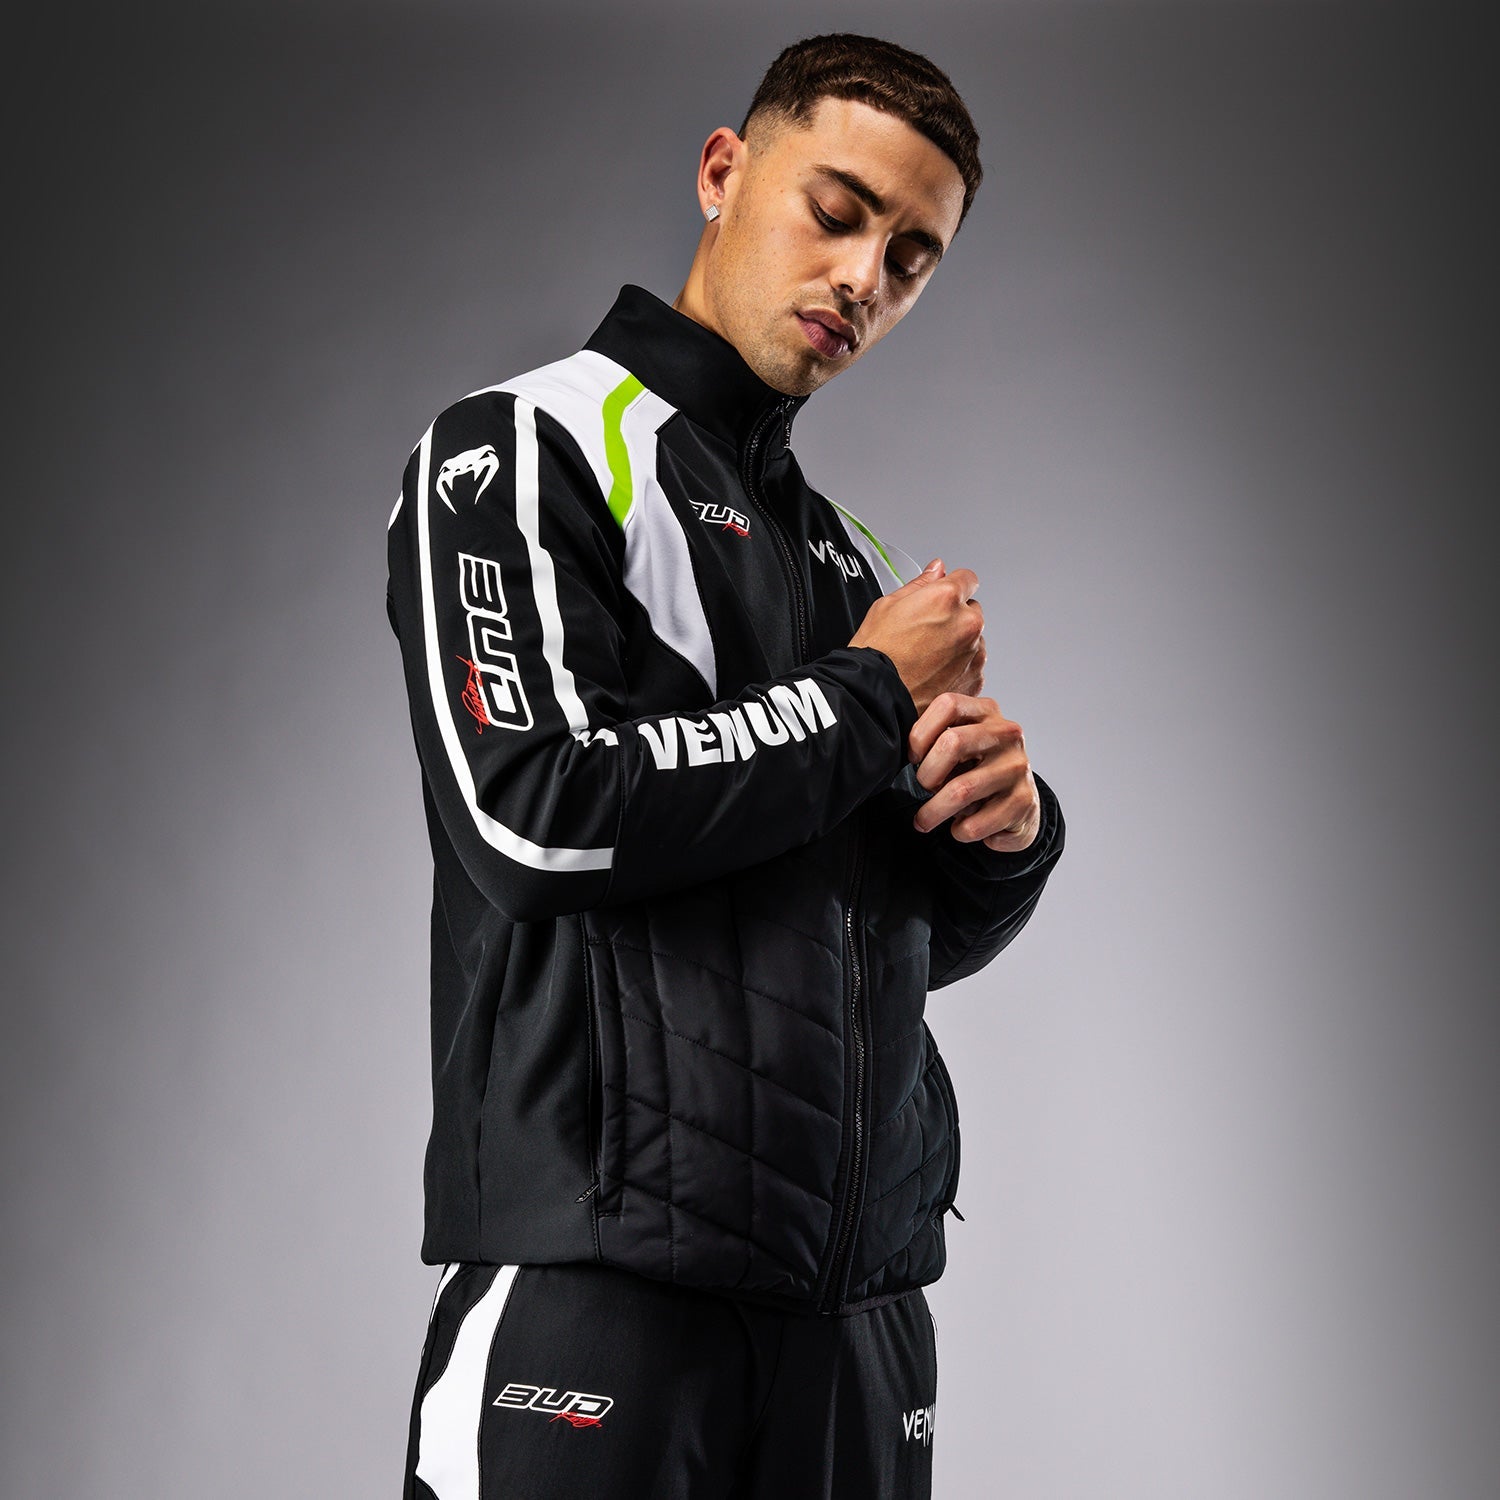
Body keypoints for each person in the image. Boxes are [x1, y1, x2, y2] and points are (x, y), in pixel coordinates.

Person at [387, 32, 1065, 1500]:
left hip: (861, 1316)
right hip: (602, 1292)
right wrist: (868, 693)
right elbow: (534, 817)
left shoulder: (851, 556)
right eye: (838, 211)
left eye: (911, 257)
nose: (863, 279)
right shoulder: (521, 449)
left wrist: (1002, 839)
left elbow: (868, 930)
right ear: (721, 172)